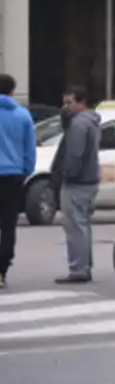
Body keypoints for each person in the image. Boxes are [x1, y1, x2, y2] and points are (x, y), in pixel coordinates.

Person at [57, 85, 101, 284]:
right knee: (82, 225)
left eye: (69, 103)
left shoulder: (78, 125)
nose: (65, 107)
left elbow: (75, 154)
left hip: (77, 182)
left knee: (75, 226)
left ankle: (78, 268)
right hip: (89, 180)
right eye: (64, 103)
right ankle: (84, 265)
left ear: (82, 102)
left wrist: (67, 174)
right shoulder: (90, 121)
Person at [0, 74, 36, 289]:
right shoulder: (23, 115)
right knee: (8, 224)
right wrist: (26, 171)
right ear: (12, 91)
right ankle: (1, 270)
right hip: (13, 176)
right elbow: (29, 149)